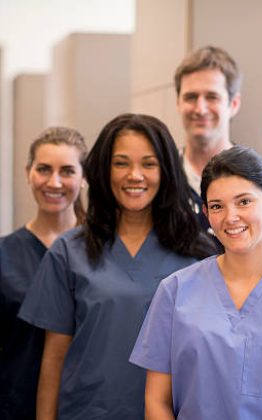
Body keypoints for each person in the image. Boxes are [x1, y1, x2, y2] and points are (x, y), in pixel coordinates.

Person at [18, 113, 214, 420]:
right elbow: (53, 359)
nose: (134, 175)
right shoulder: (69, 252)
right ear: (103, 170)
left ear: (165, 171)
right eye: (121, 163)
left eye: (148, 164)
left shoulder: (198, 255)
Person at [130, 145, 262, 419]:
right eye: (218, 206)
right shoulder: (175, 291)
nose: (231, 217)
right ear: (207, 214)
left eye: (244, 201)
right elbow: (157, 402)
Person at [0, 126, 87, 420]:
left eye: (67, 171)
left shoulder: (104, 253)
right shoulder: (4, 255)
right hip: (15, 407)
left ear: (84, 177)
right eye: (44, 169)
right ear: (28, 173)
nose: (54, 181)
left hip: (89, 407)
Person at [175, 45, 262, 231]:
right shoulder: (160, 179)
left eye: (212, 97)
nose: (200, 109)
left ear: (233, 104)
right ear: (178, 103)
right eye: (191, 97)